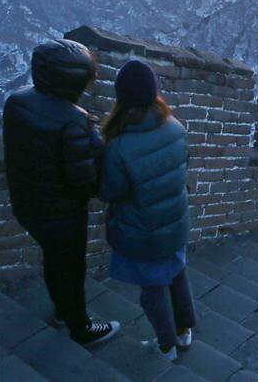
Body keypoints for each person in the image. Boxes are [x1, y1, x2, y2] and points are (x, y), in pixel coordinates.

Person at [3, 39, 120, 346]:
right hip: (63, 216)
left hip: (27, 204)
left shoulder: (17, 101)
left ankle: (61, 310)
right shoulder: (75, 123)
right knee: (69, 268)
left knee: (53, 259)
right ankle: (81, 327)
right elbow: (87, 182)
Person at [100, 60, 195, 361]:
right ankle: (184, 331)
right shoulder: (176, 127)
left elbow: (110, 192)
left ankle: (166, 346)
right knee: (178, 274)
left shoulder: (119, 146)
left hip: (144, 234)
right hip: (175, 224)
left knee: (153, 290)